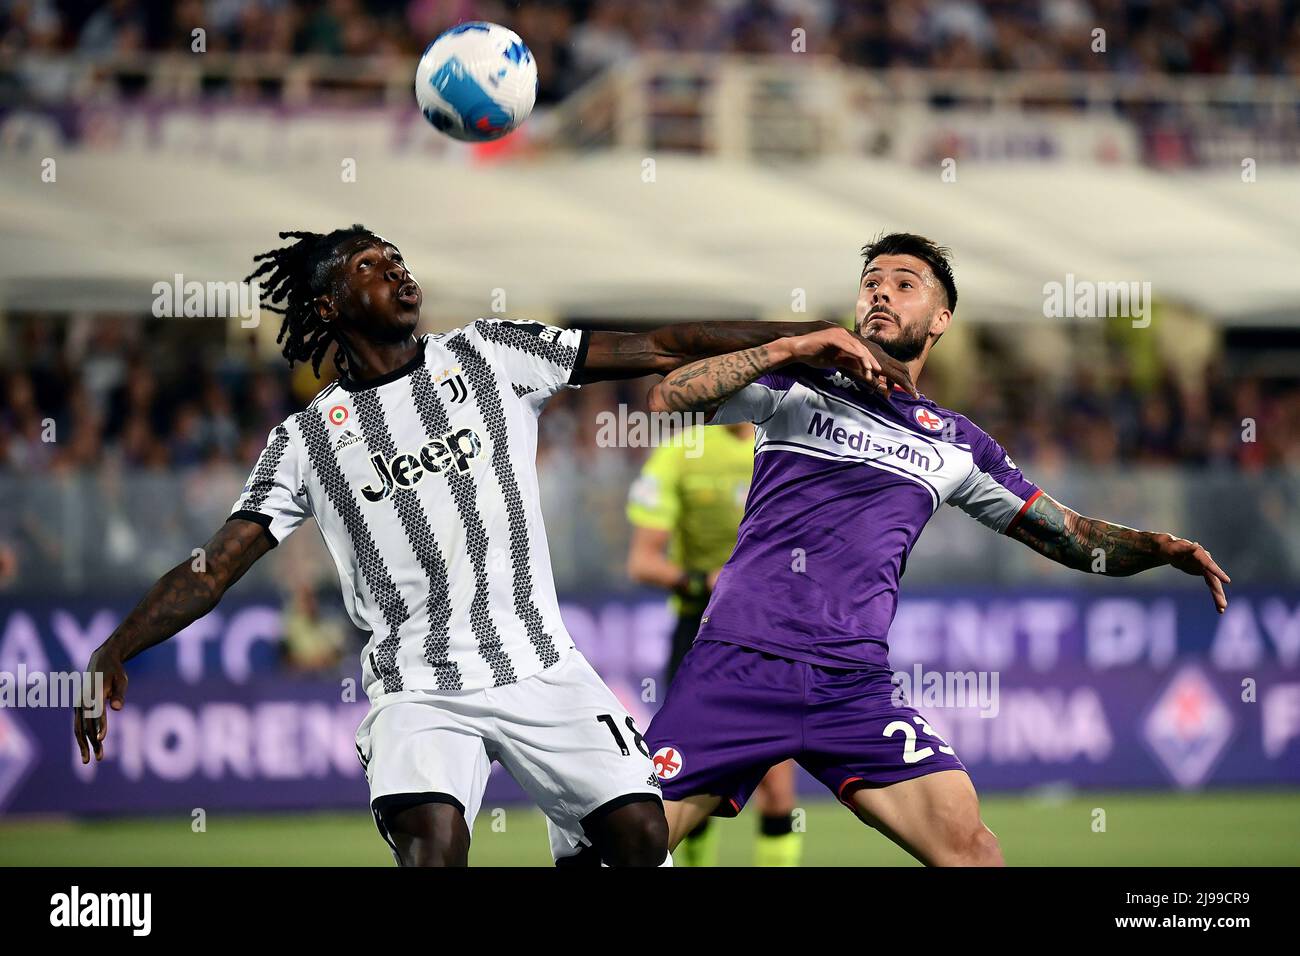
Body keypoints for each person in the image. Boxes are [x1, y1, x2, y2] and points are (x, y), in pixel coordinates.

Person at [73, 224, 914, 867]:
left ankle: (573, 829)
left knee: (642, 839)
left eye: (397, 257)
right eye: (371, 264)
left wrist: (798, 337)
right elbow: (215, 564)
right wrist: (117, 645)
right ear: (327, 306)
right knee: (431, 846)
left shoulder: (490, 354)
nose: (397, 269)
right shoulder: (305, 442)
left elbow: (660, 346)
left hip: (541, 665)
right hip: (421, 688)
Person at [642, 232, 1231, 866]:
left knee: (974, 851)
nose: (881, 294)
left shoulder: (957, 444)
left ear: (940, 319)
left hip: (852, 684)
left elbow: (1069, 535)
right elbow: (668, 396)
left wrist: (1156, 547)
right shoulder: (797, 386)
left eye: (904, 284)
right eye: (871, 282)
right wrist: (789, 346)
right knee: (631, 843)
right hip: (739, 660)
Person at [626, 420, 802, 866]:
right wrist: (705, 582)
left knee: (778, 787)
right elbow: (642, 562)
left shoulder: (791, 443)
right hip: (700, 634)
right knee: (692, 782)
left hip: (771, 632)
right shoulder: (680, 453)